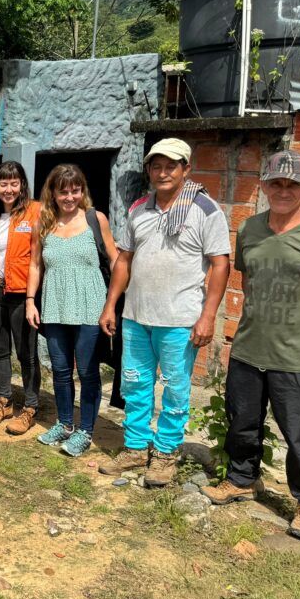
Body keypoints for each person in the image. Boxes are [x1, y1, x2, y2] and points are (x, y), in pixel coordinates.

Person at [201, 150, 300, 545]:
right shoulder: (249, 229)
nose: (284, 190)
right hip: (250, 348)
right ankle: (242, 479)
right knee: (242, 422)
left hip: (297, 356)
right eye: (276, 183)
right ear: (264, 185)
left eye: (293, 184)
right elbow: (249, 282)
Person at [98, 138, 230, 487]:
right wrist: (111, 304)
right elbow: (124, 260)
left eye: (170, 166)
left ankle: (167, 452)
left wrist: (208, 315)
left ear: (186, 169)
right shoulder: (139, 208)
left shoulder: (205, 210)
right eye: (155, 166)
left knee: (174, 388)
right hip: (137, 317)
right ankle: (136, 446)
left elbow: (220, 264)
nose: (162, 172)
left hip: (179, 321)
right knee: (135, 385)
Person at [25, 165, 117, 457]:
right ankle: (65, 424)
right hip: (54, 306)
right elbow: (36, 264)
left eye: (74, 190)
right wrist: (30, 300)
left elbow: (115, 261)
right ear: (52, 192)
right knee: (61, 371)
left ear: (82, 190)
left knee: (89, 373)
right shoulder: (43, 224)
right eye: (63, 190)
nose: (69, 196)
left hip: (91, 307)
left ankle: (86, 431)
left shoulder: (95, 219)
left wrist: (114, 304)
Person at [0, 162, 42, 434]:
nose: (9, 189)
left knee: (26, 352)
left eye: (14, 183)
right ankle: (4, 400)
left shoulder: (35, 212)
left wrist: (32, 298)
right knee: (0, 350)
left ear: (22, 186)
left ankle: (31, 407)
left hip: (21, 292)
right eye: (3, 183)